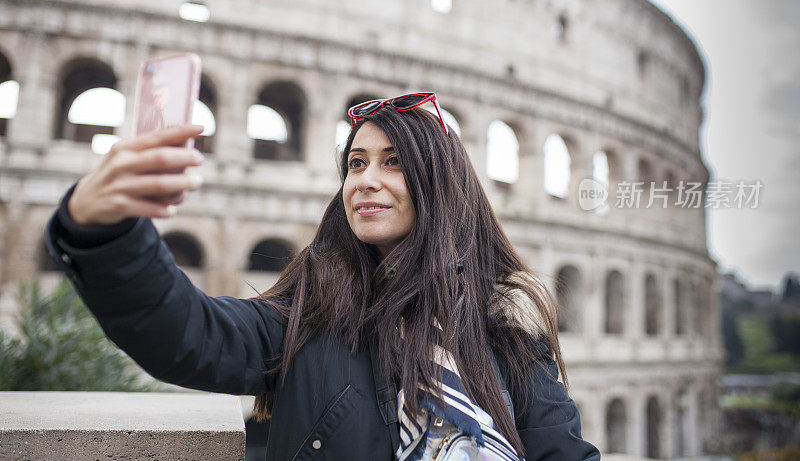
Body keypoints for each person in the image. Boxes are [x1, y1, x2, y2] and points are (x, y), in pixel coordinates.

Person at [45, 92, 601, 460]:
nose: (366, 180)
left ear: (439, 186)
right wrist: (106, 231)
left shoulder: (505, 330)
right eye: (356, 164)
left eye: (393, 162)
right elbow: (190, 333)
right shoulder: (312, 313)